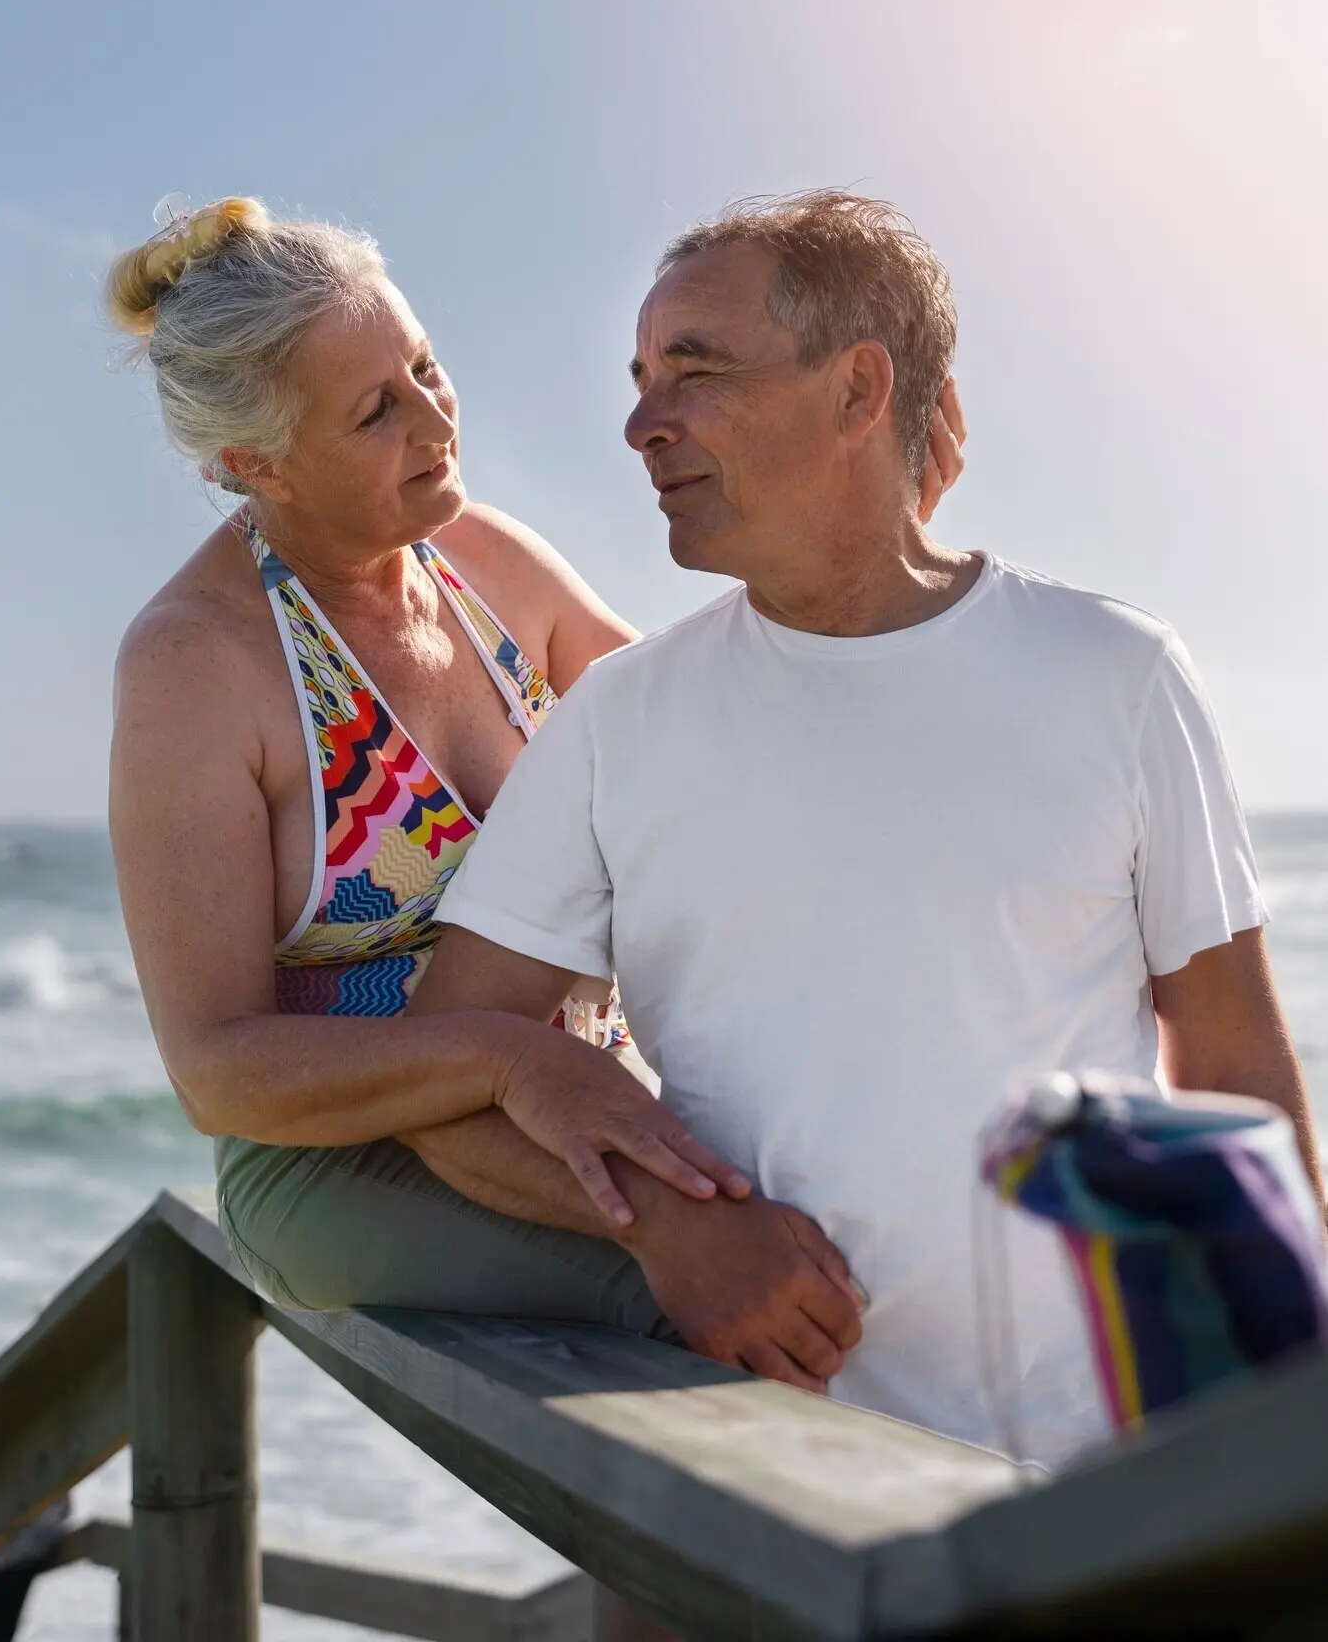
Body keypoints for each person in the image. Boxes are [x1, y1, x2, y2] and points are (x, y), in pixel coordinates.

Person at [407, 190, 1324, 1470]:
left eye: (695, 371)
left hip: (1101, 1473)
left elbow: (1230, 1062)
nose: (640, 422)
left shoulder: (1114, 672)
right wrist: (661, 1228)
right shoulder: (616, 719)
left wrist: (1284, 1429)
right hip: (774, 1472)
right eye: (640, 379)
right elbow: (439, 1075)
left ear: (857, 389)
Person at [107, 192, 966, 1361]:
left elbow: (714, 729)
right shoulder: (196, 663)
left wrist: (870, 537)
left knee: (883, 1240)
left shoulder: (485, 562)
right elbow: (217, 1070)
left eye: (424, 367)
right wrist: (506, 1054)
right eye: (374, 410)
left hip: (574, 1111)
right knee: (754, 1317)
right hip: (340, 1160)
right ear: (256, 462)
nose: (434, 420)